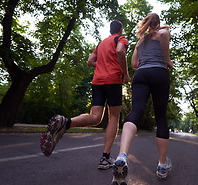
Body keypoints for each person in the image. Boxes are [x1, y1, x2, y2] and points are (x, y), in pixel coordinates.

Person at [40, 20, 130, 170]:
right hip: (113, 79)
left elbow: (90, 61)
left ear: (110, 29)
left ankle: (65, 122)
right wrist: (125, 74)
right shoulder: (120, 39)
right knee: (114, 117)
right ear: (120, 30)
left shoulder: (101, 44)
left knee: (95, 117)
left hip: (97, 81)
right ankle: (105, 158)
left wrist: (102, 64)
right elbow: (120, 51)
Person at [110, 13, 173, 185]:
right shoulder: (163, 32)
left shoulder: (140, 41)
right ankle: (162, 165)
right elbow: (166, 53)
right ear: (158, 23)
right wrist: (167, 61)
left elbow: (134, 64)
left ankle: (122, 155)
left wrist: (145, 60)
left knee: (135, 112)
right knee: (161, 116)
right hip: (159, 73)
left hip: (141, 76)